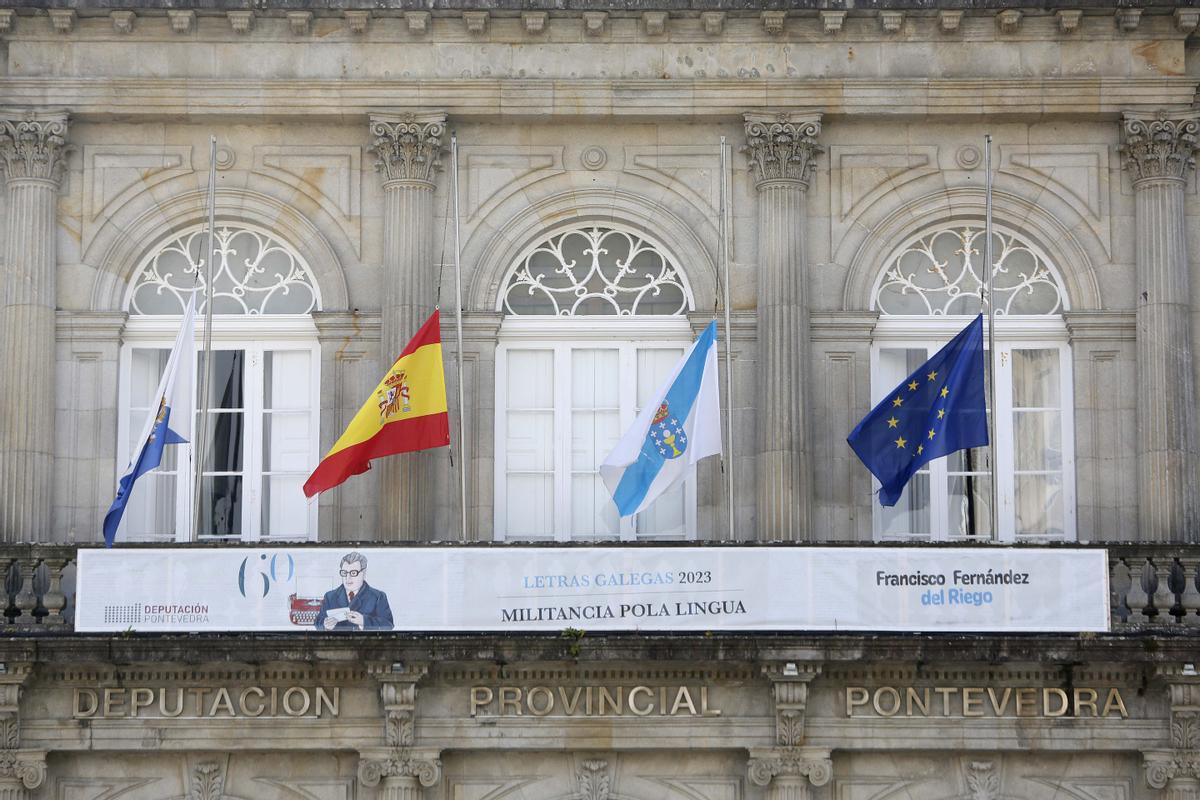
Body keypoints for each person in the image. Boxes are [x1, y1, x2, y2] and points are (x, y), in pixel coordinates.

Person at [313, 551, 393, 631]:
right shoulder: (330, 596)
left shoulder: (378, 596)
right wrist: (325, 625)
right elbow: (318, 622)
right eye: (344, 573)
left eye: (353, 573)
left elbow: (389, 625)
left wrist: (364, 621)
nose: (348, 578)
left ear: (364, 573)